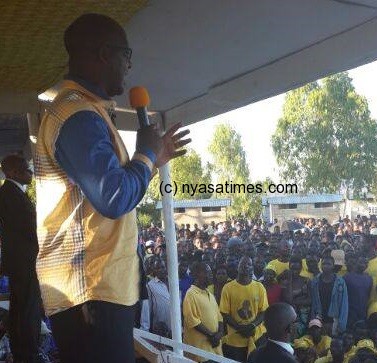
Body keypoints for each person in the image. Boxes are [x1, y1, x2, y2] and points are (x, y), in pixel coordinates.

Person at [34, 13, 190, 363]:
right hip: (90, 290)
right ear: (105, 53)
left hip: (97, 289)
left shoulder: (85, 112)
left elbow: (115, 191)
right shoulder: (76, 115)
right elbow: (114, 196)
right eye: (127, 56)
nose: (129, 66)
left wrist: (152, 159)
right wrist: (146, 152)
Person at [0, 155, 42, 362]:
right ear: (13, 172)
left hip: (19, 262)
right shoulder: (9, 194)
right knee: (27, 310)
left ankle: (23, 351)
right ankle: (28, 354)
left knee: (20, 308)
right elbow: (29, 228)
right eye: (26, 169)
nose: (30, 172)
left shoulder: (12, 193)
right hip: (23, 262)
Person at [220, 256, 268, 362]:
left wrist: (252, 325)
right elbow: (225, 313)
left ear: (252, 268)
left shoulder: (259, 287)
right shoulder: (228, 288)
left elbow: (263, 311)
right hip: (235, 339)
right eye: (242, 264)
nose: (245, 266)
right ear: (238, 267)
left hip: (257, 336)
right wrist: (239, 328)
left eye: (249, 264)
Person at [183, 262, 223, 362]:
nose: (211, 275)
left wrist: (220, 334)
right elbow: (192, 320)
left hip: (215, 348)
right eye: (208, 272)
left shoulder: (210, 294)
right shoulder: (191, 294)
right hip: (201, 351)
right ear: (197, 274)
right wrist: (212, 336)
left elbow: (219, 318)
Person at [311, 255, 348, 335]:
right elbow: (313, 303)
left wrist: (342, 324)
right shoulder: (315, 281)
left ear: (333, 266)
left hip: (334, 320)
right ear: (320, 265)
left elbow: (344, 304)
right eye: (324, 264)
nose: (326, 266)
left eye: (329, 264)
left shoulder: (340, 282)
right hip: (319, 319)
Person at [343, 255, 373, 328]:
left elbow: (367, 295)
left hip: (363, 313)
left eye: (366, 263)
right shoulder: (346, 277)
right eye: (361, 262)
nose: (363, 265)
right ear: (356, 262)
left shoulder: (369, 278)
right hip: (349, 313)